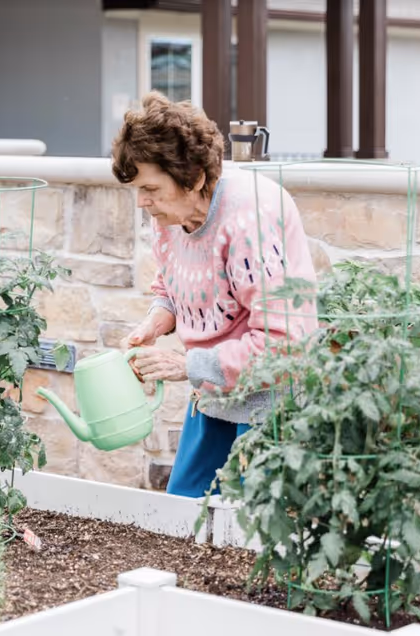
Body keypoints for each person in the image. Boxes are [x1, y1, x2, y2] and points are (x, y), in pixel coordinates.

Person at [111, 91, 318, 499]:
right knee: (182, 518)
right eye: (137, 189)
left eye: (150, 188)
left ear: (194, 178)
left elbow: (284, 342)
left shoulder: (249, 219)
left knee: (242, 540)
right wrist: (157, 320)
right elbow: (171, 281)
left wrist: (185, 363)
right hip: (213, 393)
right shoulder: (172, 215)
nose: (142, 202)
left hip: (270, 405)